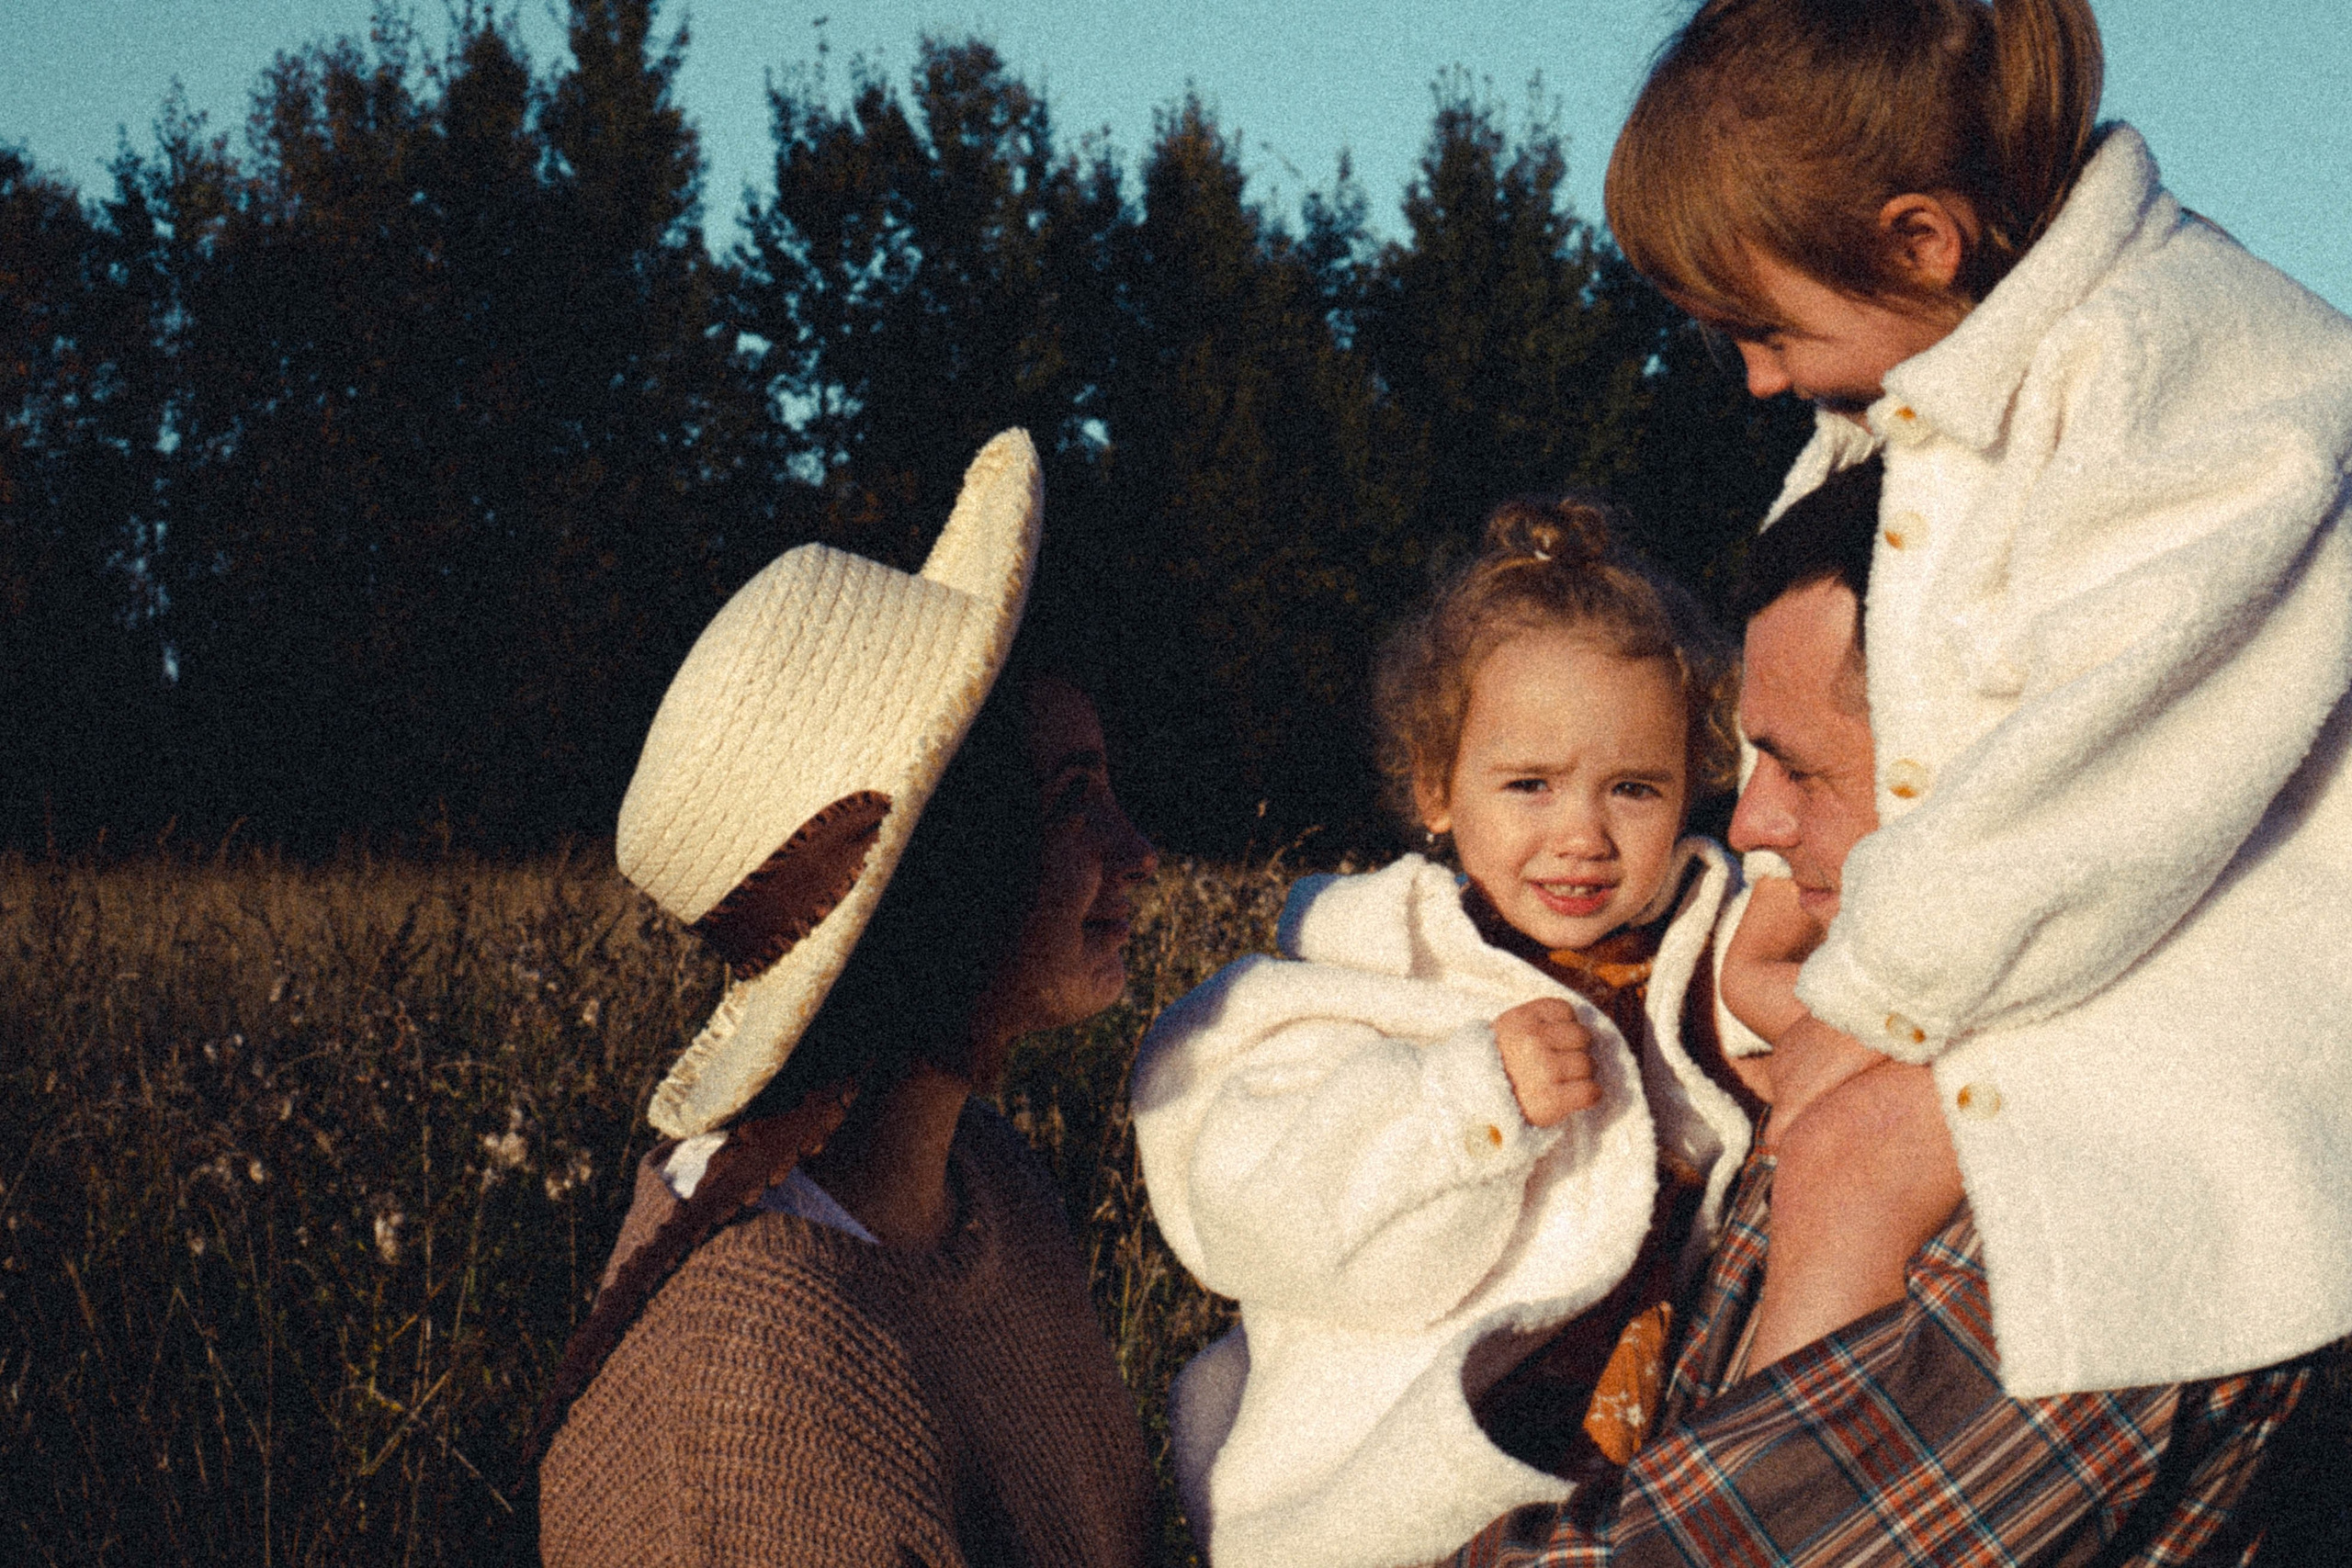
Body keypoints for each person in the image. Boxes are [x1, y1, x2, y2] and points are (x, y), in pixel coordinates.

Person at [1605, 0, 2352, 1395]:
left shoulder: (2184, 371)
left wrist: (1876, 992)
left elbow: (2106, 769)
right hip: (2094, 945)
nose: (1758, 376)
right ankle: (1726, 1467)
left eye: (1761, 327)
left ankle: (1775, 1488)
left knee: (1852, 1148)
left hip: (2246, 993)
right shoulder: (1941, 386)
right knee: (1809, 1138)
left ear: (1918, 241)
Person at [1453, 462, 2316, 1568]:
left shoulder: (2085, 1197)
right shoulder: (1888, 1044)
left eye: (1800, 770)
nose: (1750, 822)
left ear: (1994, 775)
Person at [536, 430, 1159, 1567]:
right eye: (1076, 801)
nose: (1141, 852)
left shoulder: (990, 1178)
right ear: (945, 867)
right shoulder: (755, 1374)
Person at [1130, 498, 1762, 1568]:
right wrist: (1464, 1103)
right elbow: (1264, 1216)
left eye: (1634, 789)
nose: (1583, 836)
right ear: (1435, 788)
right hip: (1396, 1491)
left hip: (1630, 1453)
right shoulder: (1374, 980)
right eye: (1529, 785)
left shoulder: (1696, 952)